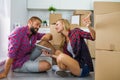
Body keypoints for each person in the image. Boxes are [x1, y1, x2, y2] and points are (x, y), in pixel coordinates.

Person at [51, 13, 96, 77]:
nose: (55, 27)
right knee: (57, 53)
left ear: (63, 24)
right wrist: (51, 55)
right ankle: (64, 70)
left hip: (83, 67)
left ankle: (61, 69)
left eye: (57, 24)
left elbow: (93, 37)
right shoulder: (64, 42)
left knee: (60, 57)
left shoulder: (76, 32)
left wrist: (88, 26)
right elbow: (67, 58)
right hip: (75, 65)